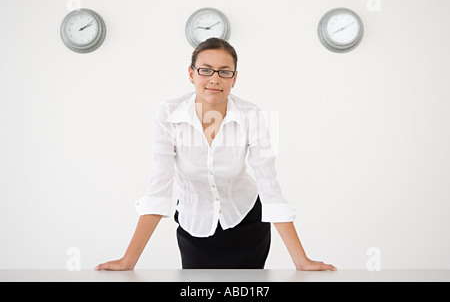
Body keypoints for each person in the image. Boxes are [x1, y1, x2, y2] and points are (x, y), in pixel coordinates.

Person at [95, 38, 336, 271]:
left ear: (234, 78)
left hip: (246, 223)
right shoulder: (169, 114)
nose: (215, 79)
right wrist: (128, 261)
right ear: (191, 74)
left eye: (224, 71)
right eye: (206, 70)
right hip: (194, 226)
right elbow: (159, 189)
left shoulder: (250, 114)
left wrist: (301, 261)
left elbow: (269, 188)